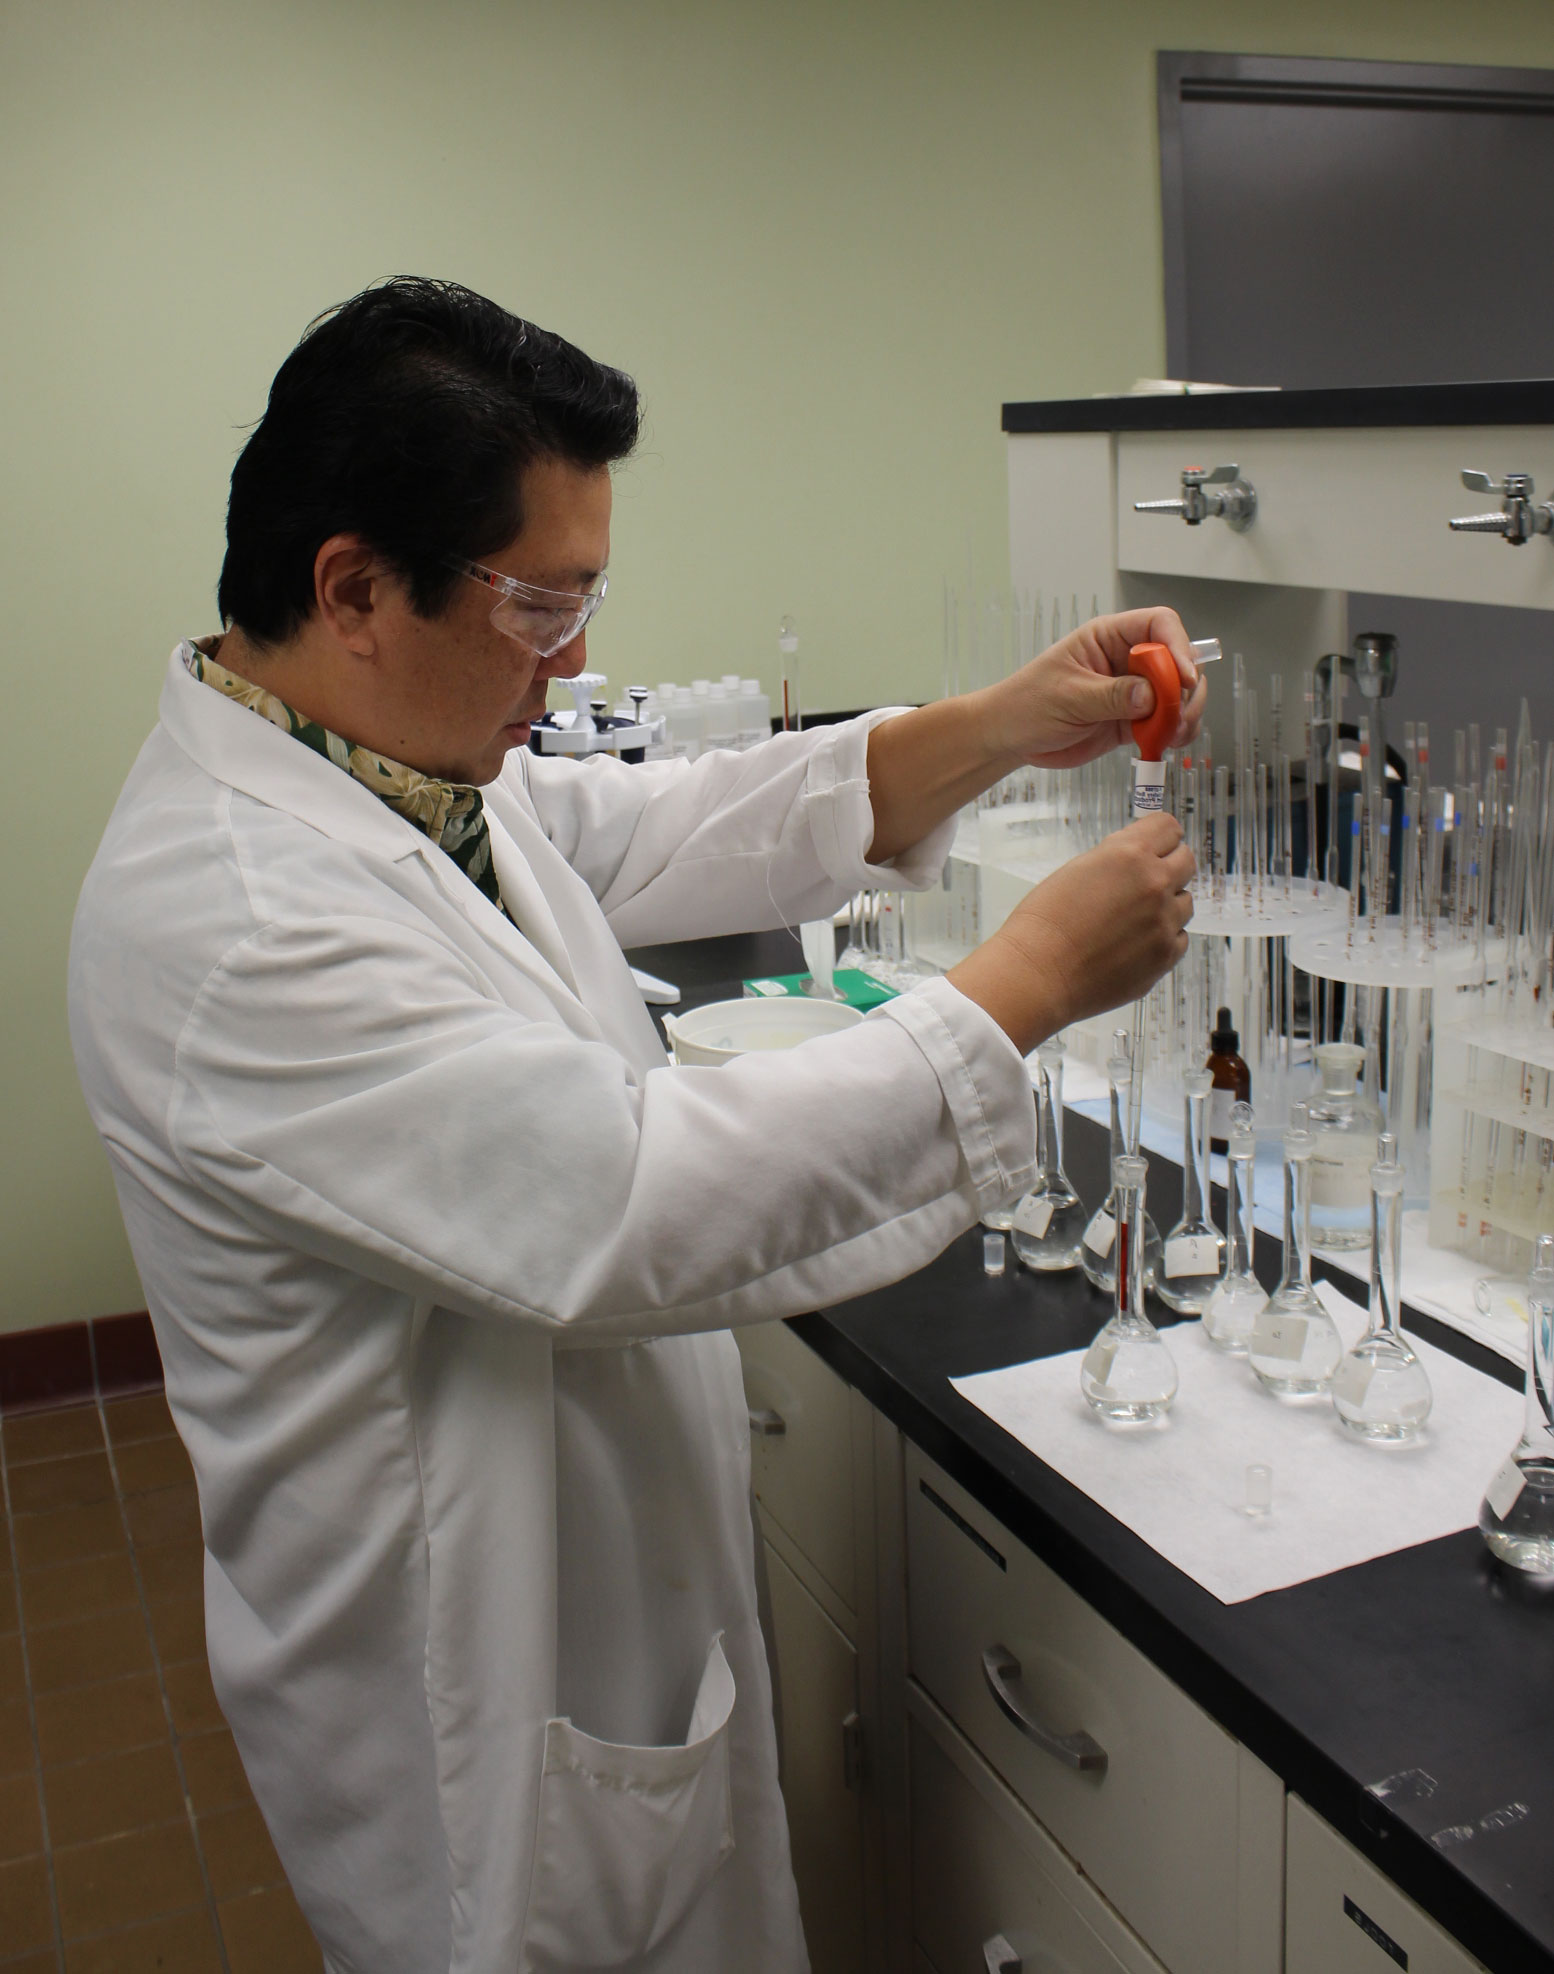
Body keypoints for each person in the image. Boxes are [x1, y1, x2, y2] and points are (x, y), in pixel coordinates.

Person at [68, 277, 1204, 1973]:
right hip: (466, 1695)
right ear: (353, 585)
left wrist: (998, 727)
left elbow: (659, 825)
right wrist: (1018, 989)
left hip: (597, 1596)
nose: (578, 660)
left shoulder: (385, 768)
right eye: (539, 605)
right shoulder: (234, 919)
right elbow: (621, 1196)